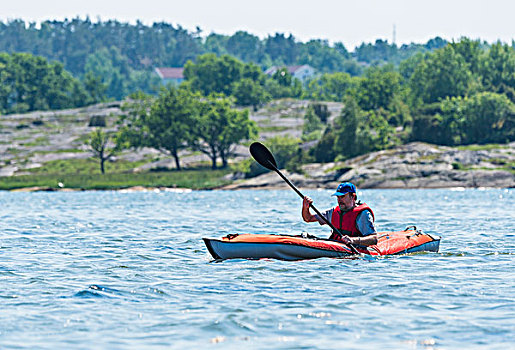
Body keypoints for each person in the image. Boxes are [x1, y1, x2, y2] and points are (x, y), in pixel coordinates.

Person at [301, 182, 377, 247]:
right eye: (338, 197)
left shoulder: (363, 214)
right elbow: (308, 218)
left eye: (342, 196)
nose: (339, 200)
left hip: (355, 249)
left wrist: (353, 240)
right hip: (335, 246)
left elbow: (374, 239)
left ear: (352, 196)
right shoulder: (333, 212)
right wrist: (305, 207)